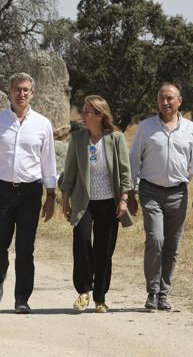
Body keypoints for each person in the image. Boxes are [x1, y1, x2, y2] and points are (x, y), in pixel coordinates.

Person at [0, 72, 57, 314]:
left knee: (25, 247)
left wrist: (50, 196)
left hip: (31, 192)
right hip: (1, 190)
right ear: (9, 92)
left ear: (32, 94)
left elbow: (48, 162)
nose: (21, 94)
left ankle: (22, 298)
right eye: (17, 90)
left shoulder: (43, 124)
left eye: (26, 90)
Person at [127, 83, 193, 311]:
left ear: (179, 101)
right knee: (155, 239)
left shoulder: (190, 129)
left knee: (172, 246)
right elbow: (134, 161)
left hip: (178, 193)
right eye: (161, 98)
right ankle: (152, 291)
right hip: (150, 191)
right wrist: (130, 193)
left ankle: (164, 293)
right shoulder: (146, 127)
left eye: (170, 98)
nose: (165, 102)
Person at [60, 95, 133, 313]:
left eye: (87, 112)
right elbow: (69, 171)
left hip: (109, 202)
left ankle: (100, 297)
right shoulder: (78, 138)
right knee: (82, 242)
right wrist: (65, 199)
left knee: (104, 250)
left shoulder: (116, 138)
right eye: (83, 111)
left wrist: (124, 199)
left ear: (100, 116)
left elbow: (126, 172)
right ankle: (83, 291)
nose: (82, 115)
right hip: (84, 202)